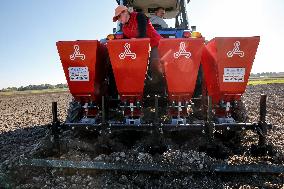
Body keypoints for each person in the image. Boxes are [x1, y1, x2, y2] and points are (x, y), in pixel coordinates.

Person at [113, 5, 164, 86]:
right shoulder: (124, 28)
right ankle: (140, 83)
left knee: (155, 62)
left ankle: (159, 85)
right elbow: (125, 43)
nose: (119, 20)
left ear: (125, 12)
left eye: (119, 16)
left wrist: (134, 40)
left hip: (155, 43)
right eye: (117, 18)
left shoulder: (139, 16)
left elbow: (142, 35)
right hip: (141, 47)